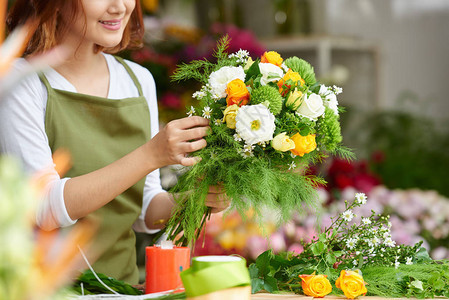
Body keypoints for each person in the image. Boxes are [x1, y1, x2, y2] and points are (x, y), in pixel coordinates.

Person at [0, 0, 228, 284]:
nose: (120, 6)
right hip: (47, 290)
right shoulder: (22, 81)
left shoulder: (137, 80)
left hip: (123, 287)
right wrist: (151, 155)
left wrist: (195, 199)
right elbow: (43, 207)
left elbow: (143, 209)